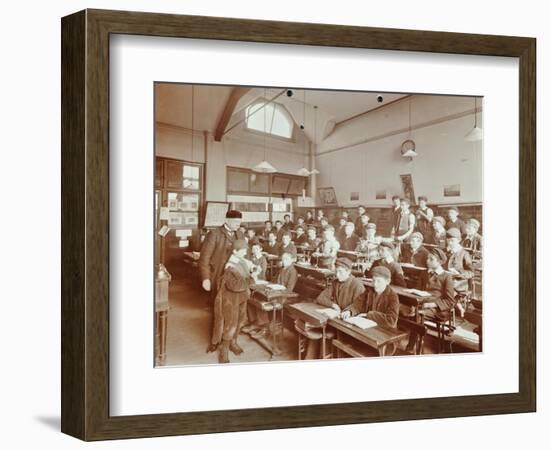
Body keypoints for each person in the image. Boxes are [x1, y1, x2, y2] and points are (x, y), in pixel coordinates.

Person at [302, 258, 365, 359]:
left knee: (320, 331)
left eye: (340, 272)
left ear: (348, 271)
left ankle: (316, 358)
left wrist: (348, 311)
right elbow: (321, 297)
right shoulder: (336, 282)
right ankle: (311, 358)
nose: (337, 274)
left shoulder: (357, 285)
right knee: (316, 328)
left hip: (348, 325)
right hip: (335, 320)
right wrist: (333, 305)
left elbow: (359, 306)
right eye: (336, 271)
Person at [210, 239, 258, 363]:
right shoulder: (230, 266)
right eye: (242, 251)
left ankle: (233, 343)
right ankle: (224, 351)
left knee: (240, 322)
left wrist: (253, 269)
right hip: (230, 299)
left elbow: (247, 265)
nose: (245, 253)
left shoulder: (239, 259)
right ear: (235, 251)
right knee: (230, 324)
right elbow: (235, 286)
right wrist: (252, 279)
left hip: (241, 297)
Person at [198, 209, 242, 297]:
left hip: (234, 273)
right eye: (236, 222)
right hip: (217, 273)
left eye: (239, 222)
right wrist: (206, 278)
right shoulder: (214, 234)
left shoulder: (240, 234)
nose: (238, 224)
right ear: (227, 220)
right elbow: (204, 258)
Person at [420, 247, 456, 321]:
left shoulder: (446, 276)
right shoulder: (424, 273)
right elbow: (417, 290)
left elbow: (450, 301)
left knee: (417, 314)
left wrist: (432, 304)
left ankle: (418, 331)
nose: (427, 261)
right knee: (405, 311)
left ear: (439, 262)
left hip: (438, 309)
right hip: (422, 304)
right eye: (427, 258)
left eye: (431, 259)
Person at [445, 228, 474, 296]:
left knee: (445, 293)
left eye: (452, 241)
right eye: (448, 241)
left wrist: (459, 273)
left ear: (458, 240)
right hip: (445, 281)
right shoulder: (445, 252)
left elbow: (471, 272)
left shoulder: (464, 254)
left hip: (459, 283)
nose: (450, 243)